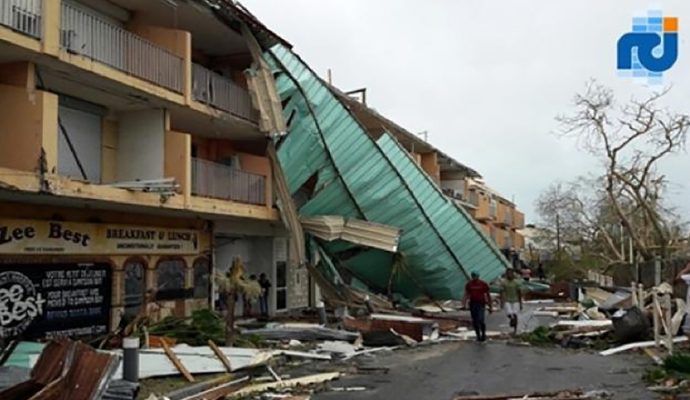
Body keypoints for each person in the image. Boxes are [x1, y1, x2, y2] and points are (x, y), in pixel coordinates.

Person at [463, 271, 492, 342]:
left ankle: (483, 334)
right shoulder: (469, 284)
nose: (474, 277)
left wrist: (490, 306)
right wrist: (464, 303)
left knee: (481, 319)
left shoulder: (483, 284)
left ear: (478, 276)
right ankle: (478, 335)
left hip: (481, 303)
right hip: (473, 303)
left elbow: (488, 295)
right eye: (473, 276)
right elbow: (466, 294)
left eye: (475, 276)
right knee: (475, 320)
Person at [500, 269, 523, 335]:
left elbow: (519, 293)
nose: (509, 275)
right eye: (508, 274)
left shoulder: (516, 283)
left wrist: (520, 303)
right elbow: (502, 292)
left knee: (515, 314)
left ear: (513, 274)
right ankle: (511, 320)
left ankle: (515, 329)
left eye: (510, 273)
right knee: (509, 313)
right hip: (507, 300)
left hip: (515, 300)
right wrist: (502, 302)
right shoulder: (504, 282)